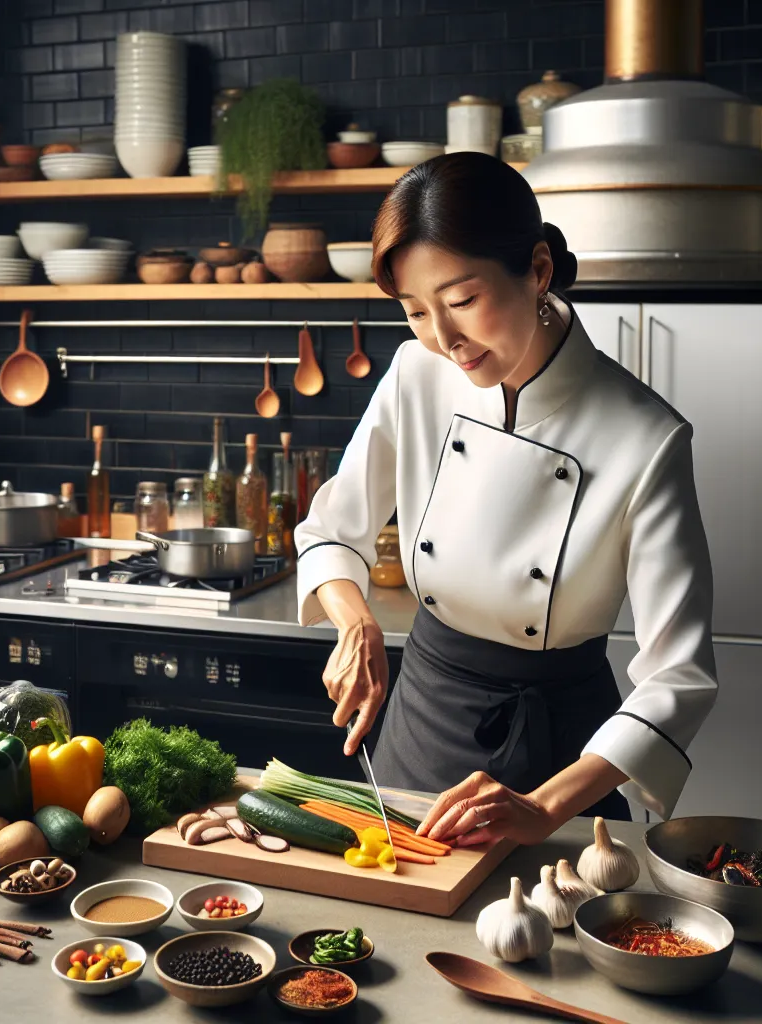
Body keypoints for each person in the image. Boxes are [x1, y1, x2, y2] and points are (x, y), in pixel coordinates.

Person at [293, 153, 718, 848]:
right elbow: (331, 529)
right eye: (415, 312)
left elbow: (680, 675)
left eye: (461, 302)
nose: (443, 338)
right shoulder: (416, 373)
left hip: (561, 753)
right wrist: (356, 623)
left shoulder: (645, 435)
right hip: (422, 717)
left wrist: (547, 808)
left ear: (539, 270)